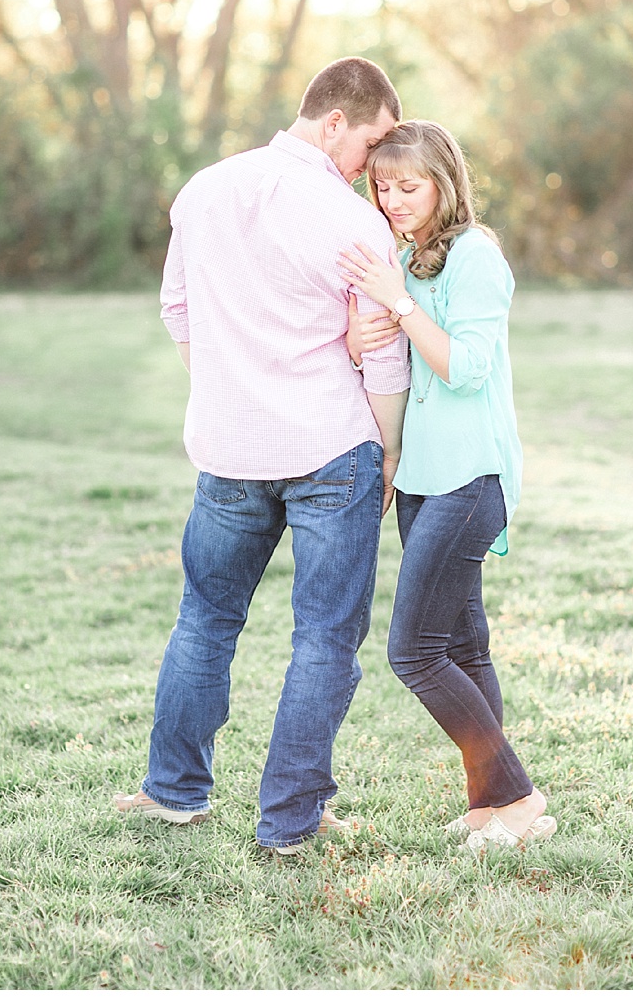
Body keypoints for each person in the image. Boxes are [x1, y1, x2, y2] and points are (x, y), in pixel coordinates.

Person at [114, 56, 411, 856]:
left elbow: (177, 308)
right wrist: (389, 453)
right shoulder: (356, 224)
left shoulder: (205, 188)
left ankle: (174, 793)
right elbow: (381, 353)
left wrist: (229, 386)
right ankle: (290, 822)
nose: (377, 165)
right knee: (322, 638)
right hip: (331, 448)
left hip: (230, 448)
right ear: (335, 121)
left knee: (205, 620)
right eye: (374, 141)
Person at [338, 119, 550, 855]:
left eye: (410, 186)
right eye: (382, 186)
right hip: (423, 475)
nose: (393, 199)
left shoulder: (474, 257)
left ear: (445, 184)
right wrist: (363, 333)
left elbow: (465, 367)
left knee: (415, 651)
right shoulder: (404, 255)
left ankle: (518, 796)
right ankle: (490, 806)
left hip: (471, 477)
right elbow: (392, 351)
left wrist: (398, 306)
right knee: (463, 644)